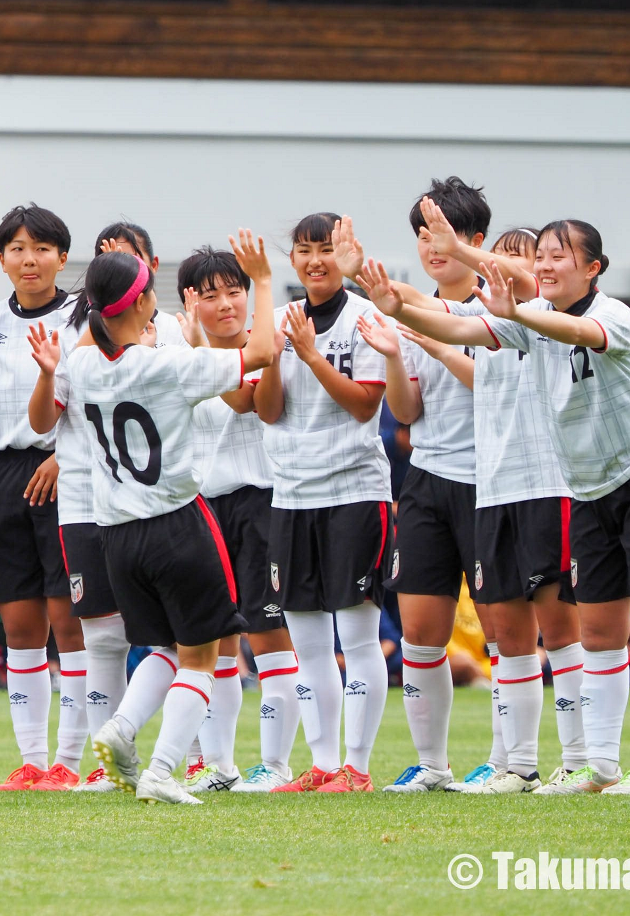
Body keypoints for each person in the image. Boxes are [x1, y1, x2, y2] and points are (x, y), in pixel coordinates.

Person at [364, 216, 630, 795]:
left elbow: (576, 334)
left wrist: (499, 293)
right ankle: (600, 769)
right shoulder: (529, 320)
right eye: (538, 256)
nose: (543, 266)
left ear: (593, 268)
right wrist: (398, 309)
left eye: (557, 257)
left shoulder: (610, 314)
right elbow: (455, 330)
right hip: (588, 492)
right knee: (598, 636)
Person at [32, 232, 275, 804]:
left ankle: (119, 726)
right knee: (203, 654)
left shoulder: (83, 362)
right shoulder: (169, 365)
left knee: (163, 649)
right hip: (176, 522)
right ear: (143, 304)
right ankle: (163, 768)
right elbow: (259, 355)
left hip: (115, 532)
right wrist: (261, 281)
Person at [375, 213, 586, 794]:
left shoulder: (555, 318)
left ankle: (567, 761)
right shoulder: (481, 314)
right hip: (459, 484)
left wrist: (437, 319)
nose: (528, 269)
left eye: (538, 261)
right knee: (427, 631)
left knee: (547, 630)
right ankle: (477, 765)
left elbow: (471, 354)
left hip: (535, 485)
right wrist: (391, 324)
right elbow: (428, 318)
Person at [343, 178, 495, 794]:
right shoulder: (408, 312)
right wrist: (389, 352)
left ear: (476, 242)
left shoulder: (502, 309)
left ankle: (512, 763)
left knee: (505, 633)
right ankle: (433, 764)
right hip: (427, 480)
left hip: (491, 481)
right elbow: (405, 414)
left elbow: (485, 384)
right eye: (423, 236)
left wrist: (397, 311)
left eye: (445, 235)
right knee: (420, 634)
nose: (432, 248)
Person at [249, 212, 391, 795]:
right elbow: (267, 410)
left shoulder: (367, 318)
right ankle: (325, 765)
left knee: (357, 638)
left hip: (354, 491)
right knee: (308, 643)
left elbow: (364, 407)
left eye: (326, 250)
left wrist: (310, 357)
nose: (314, 261)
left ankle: (356, 767)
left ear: (345, 254)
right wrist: (279, 355)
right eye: (304, 250)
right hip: (292, 495)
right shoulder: (284, 321)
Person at [0, 204, 87, 792]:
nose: (29, 259)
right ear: (2, 258)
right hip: (6, 476)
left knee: (71, 618)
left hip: (71, 470)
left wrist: (65, 454)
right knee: (19, 621)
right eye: (17, 249)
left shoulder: (85, 317)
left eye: (42, 248)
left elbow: (100, 396)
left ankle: (76, 759)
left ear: (61, 255)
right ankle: (33, 760)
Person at [53, 224, 190, 793]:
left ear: (150, 270)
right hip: (89, 500)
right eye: (105, 269)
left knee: (182, 637)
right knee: (104, 638)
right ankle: (108, 764)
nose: (120, 281)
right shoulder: (74, 340)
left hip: (160, 504)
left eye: (128, 266)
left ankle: (201, 759)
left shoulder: (177, 333)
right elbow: (52, 413)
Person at [176, 245, 301, 793]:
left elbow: (248, 402)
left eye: (235, 291)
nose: (226, 303)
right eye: (210, 295)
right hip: (204, 507)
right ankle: (218, 767)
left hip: (263, 500)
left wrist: (201, 347)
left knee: (270, 634)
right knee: (217, 642)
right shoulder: (177, 353)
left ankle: (274, 766)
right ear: (190, 301)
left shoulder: (269, 344)